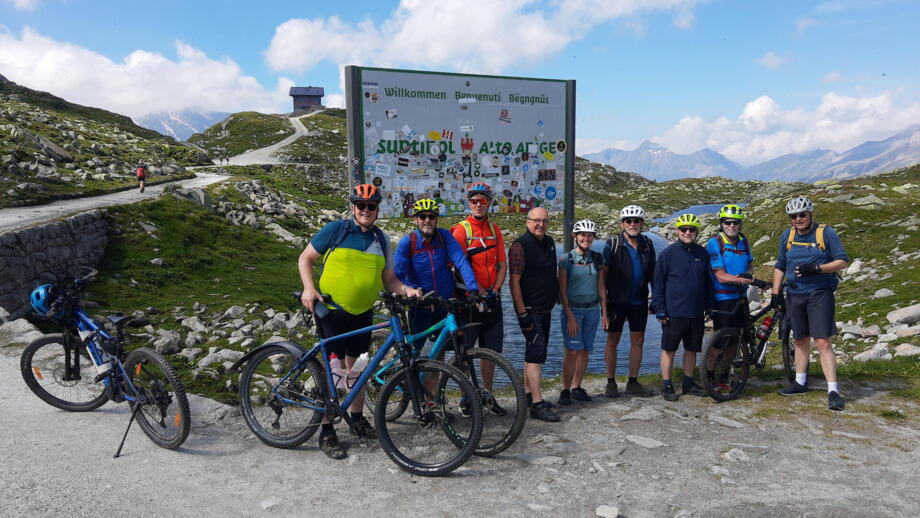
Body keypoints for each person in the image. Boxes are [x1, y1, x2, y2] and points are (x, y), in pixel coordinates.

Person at [298, 184, 422, 459]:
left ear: (377, 209)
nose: (366, 210)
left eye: (371, 206)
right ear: (353, 206)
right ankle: (327, 431)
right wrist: (309, 288)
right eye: (361, 205)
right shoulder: (336, 230)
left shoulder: (381, 239)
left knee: (358, 368)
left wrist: (406, 290)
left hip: (363, 313)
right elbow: (305, 258)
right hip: (331, 311)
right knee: (334, 371)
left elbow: (388, 279)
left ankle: (356, 419)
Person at [772, 196, 848, 411]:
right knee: (800, 339)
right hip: (794, 294)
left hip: (819, 293)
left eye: (802, 215)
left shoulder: (826, 233)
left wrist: (817, 269)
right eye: (794, 216)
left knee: (822, 341)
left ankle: (833, 390)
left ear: (810, 214)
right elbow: (780, 264)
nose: (798, 219)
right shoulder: (787, 236)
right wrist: (776, 292)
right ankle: (800, 382)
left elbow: (842, 261)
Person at [451, 182, 508, 413]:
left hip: (492, 299)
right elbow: (457, 266)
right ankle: (466, 398)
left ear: (489, 203)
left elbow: (502, 265)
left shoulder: (495, 230)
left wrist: (494, 291)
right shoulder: (462, 230)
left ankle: (487, 395)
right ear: (469, 203)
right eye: (474, 201)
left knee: (491, 351)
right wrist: (479, 292)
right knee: (465, 351)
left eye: (482, 201)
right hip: (469, 300)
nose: (478, 204)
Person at [394, 198, 479, 350]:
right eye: (422, 217)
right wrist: (411, 289)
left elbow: (460, 261)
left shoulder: (444, 236)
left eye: (431, 217)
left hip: (444, 303)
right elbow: (398, 275)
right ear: (415, 220)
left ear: (436, 219)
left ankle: (448, 373)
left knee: (452, 349)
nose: (427, 220)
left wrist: (472, 289)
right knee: (417, 354)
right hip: (421, 305)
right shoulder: (408, 242)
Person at [651, 214, 712, 402]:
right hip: (673, 312)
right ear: (677, 231)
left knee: (692, 349)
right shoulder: (667, 254)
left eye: (691, 230)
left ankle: (688, 382)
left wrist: (709, 305)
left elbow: (708, 282)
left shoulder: (702, 254)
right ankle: (667, 384)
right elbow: (658, 283)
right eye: (684, 229)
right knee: (669, 349)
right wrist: (659, 308)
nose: (687, 232)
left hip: (695, 312)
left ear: (696, 232)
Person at [509, 207, 560, 422]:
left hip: (545, 308)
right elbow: (514, 282)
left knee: (534, 353)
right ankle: (537, 405)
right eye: (536, 220)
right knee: (536, 355)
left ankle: (529, 396)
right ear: (528, 221)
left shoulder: (549, 243)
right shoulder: (520, 245)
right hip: (530, 310)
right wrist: (521, 313)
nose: (540, 224)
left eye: (544, 221)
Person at [601, 205, 656, 398]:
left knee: (637, 340)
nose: (632, 224)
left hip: (639, 301)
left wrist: (656, 298)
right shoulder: (613, 243)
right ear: (622, 224)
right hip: (616, 301)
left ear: (642, 223)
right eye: (628, 221)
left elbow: (653, 274)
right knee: (612, 341)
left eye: (636, 221)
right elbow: (602, 276)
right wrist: (604, 307)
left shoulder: (647, 244)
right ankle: (611, 381)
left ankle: (633, 382)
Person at [557, 219, 607, 406]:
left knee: (585, 350)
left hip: (592, 310)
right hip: (573, 311)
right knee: (572, 351)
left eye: (590, 235)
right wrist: (569, 316)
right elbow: (562, 291)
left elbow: (601, 287)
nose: (586, 238)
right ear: (575, 237)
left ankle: (577, 387)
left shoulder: (597, 258)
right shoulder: (565, 260)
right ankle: (565, 390)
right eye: (582, 235)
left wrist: (605, 313)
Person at [704, 204, 754, 385]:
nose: (731, 226)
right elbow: (720, 275)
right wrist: (742, 280)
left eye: (735, 223)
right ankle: (709, 374)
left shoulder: (744, 241)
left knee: (737, 339)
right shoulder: (715, 242)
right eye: (727, 223)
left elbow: (749, 264)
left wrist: (748, 274)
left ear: (740, 224)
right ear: (722, 224)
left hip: (740, 297)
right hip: (722, 299)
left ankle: (725, 372)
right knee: (720, 341)